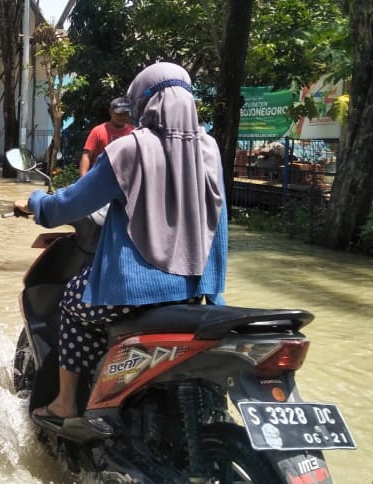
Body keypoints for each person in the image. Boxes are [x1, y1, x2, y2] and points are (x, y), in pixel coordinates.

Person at [14, 62, 228, 424]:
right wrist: (214, 289)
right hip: (198, 295)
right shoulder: (209, 149)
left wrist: (36, 202)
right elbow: (217, 222)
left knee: (73, 302)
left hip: (130, 295)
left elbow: (70, 204)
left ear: (143, 105)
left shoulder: (130, 149)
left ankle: (66, 403)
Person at [79, 96, 135, 177]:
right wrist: (82, 180)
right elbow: (86, 155)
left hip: (125, 180)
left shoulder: (134, 132)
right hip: (101, 177)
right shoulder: (98, 131)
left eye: (125, 114)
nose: (122, 117)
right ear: (111, 112)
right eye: (118, 114)